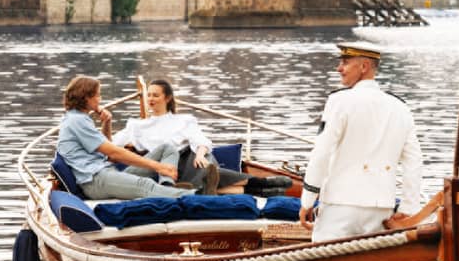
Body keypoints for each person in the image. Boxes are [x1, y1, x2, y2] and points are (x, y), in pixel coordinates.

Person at [298, 43, 423, 241]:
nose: (339, 68)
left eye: (345, 62)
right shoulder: (400, 108)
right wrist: (409, 207)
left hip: (340, 206)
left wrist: (307, 200)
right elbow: (414, 162)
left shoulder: (339, 101)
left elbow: (321, 153)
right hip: (381, 209)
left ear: (364, 66)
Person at [113, 79, 276, 196]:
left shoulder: (183, 120)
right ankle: (260, 186)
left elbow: (200, 140)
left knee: (204, 163)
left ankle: (197, 187)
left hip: (191, 158)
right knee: (208, 175)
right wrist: (106, 122)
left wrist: (199, 154)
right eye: (148, 95)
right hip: (169, 167)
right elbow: (109, 145)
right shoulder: (136, 126)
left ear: (167, 98)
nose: (150, 100)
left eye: (155, 95)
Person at [55, 76, 193, 200]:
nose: (100, 99)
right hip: (95, 180)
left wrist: (106, 123)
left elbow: (108, 154)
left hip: (105, 171)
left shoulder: (79, 118)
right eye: (97, 95)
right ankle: (199, 195)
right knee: (145, 185)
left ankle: (167, 187)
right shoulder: (77, 121)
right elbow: (114, 152)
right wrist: (159, 167)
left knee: (167, 149)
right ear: (86, 98)